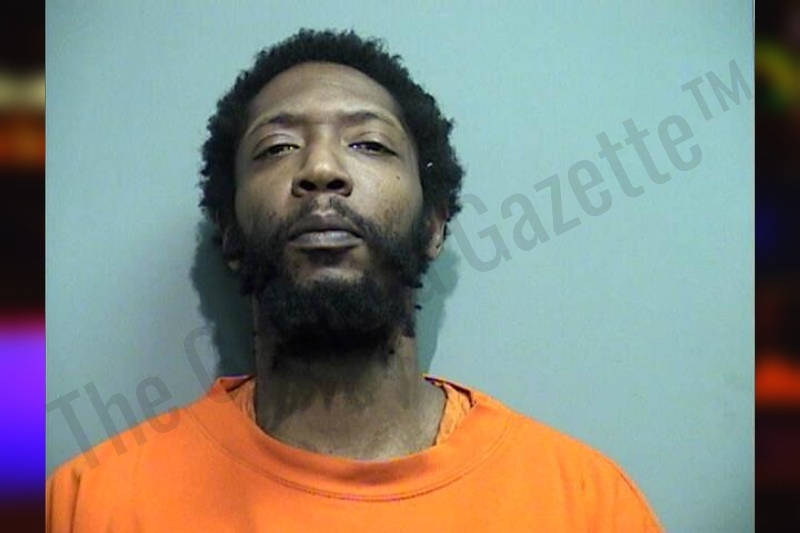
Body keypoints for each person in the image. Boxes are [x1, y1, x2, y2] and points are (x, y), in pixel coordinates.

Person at [46, 29, 663, 532]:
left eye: (368, 143)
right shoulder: (90, 504)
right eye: (277, 147)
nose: (320, 168)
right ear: (229, 232)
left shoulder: (586, 505)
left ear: (433, 225)